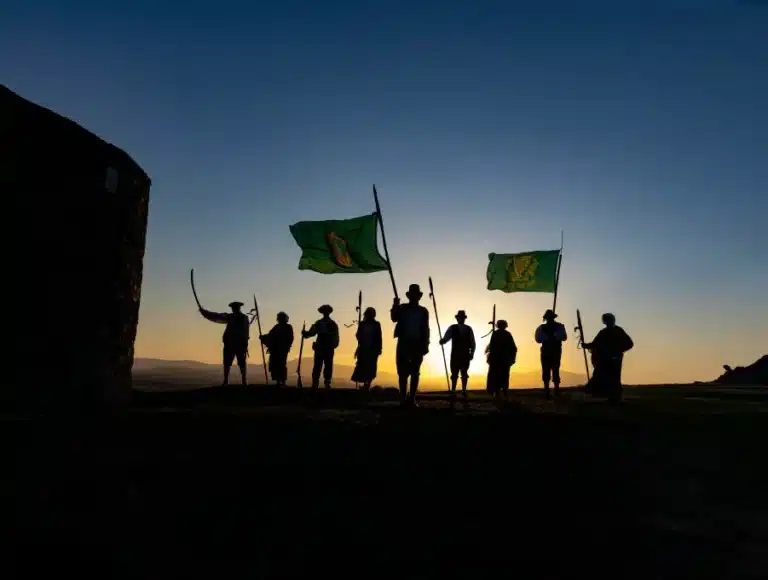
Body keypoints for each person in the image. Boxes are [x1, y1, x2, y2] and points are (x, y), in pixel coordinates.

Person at [391, 284, 430, 407]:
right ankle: (403, 399)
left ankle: (412, 398)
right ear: (409, 296)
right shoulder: (402, 308)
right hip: (404, 342)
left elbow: (426, 328)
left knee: (415, 372)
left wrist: (426, 344)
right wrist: (395, 305)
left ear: (419, 296)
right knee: (402, 372)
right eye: (412, 295)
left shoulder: (423, 311)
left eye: (416, 295)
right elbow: (394, 318)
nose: (414, 297)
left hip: (417, 344)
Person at [582, 313, 634, 403]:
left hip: (614, 359)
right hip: (604, 359)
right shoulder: (603, 333)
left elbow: (630, 344)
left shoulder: (618, 331)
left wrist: (618, 351)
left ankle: (615, 397)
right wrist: (586, 345)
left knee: (614, 378)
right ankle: (603, 394)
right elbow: (595, 344)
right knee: (601, 375)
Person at [199, 301, 250, 386]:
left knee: (239, 363)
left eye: (234, 307)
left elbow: (246, 332)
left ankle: (242, 381)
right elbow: (216, 316)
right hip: (232, 343)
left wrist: (204, 312)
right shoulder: (234, 317)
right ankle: (228, 380)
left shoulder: (241, 318)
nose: (233, 309)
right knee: (228, 363)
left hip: (238, 344)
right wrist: (204, 312)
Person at [439, 310, 476, 399]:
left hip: (465, 353)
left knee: (464, 372)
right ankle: (453, 390)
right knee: (454, 372)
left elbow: (472, 342)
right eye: (459, 317)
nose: (460, 319)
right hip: (455, 353)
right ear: (457, 318)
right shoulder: (452, 328)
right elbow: (447, 337)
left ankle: (463, 390)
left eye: (462, 317)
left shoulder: (468, 329)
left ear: (464, 318)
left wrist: (472, 353)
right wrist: (443, 341)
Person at [302, 305, 340, 389]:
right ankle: (315, 383)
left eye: (326, 311)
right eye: (324, 311)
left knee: (328, 366)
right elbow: (312, 332)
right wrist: (306, 333)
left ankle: (327, 382)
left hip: (328, 348)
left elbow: (336, 337)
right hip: (320, 347)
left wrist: (332, 346)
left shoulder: (332, 324)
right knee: (317, 366)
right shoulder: (319, 323)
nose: (325, 313)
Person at [534, 309, 567, 398]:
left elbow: (538, 339)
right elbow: (564, 337)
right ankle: (551, 390)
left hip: (549, 351)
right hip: (552, 351)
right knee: (552, 369)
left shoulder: (542, 328)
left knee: (549, 369)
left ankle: (550, 390)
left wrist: (548, 337)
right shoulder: (559, 327)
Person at [351, 307, 382, 390]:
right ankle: (365, 384)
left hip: (373, 349)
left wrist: (379, 349)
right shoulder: (362, 324)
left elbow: (379, 337)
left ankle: (367, 384)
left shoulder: (376, 324)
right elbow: (358, 335)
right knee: (363, 366)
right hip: (363, 348)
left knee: (371, 367)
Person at [260, 312, 294, 387]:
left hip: (282, 349)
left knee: (281, 364)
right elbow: (270, 335)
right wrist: (263, 337)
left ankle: (283, 381)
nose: (278, 318)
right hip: (274, 349)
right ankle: (278, 381)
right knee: (274, 364)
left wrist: (287, 346)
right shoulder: (276, 326)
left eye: (279, 317)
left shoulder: (288, 327)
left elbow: (290, 338)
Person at [485, 320, 518, 400]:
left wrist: (512, 358)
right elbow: (491, 347)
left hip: (503, 359)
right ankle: (497, 392)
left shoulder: (506, 334)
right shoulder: (496, 334)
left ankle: (503, 392)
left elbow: (513, 348)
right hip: (497, 359)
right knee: (497, 376)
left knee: (503, 376)